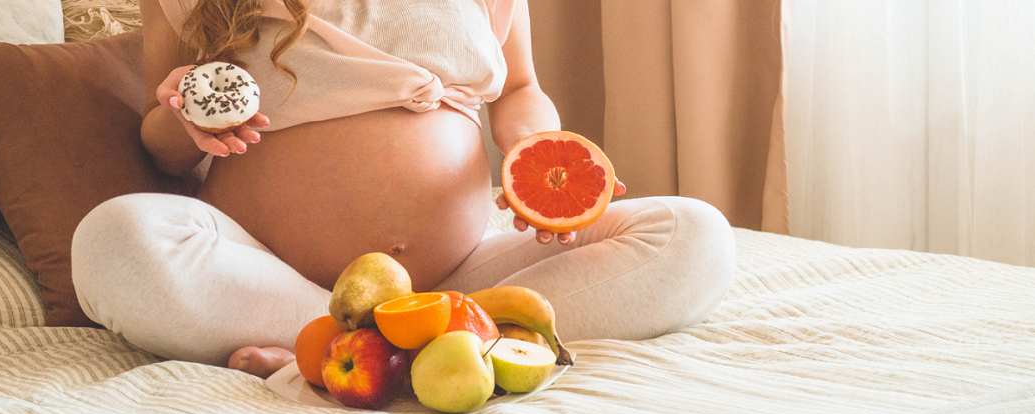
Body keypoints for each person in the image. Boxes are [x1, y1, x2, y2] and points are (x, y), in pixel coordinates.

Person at [71, 0, 735, 378]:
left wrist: (539, 147)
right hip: (273, 264)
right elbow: (159, 143)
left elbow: (521, 88)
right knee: (112, 239)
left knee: (694, 236)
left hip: (460, 271)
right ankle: (402, 343)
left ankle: (350, 347)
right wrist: (184, 121)